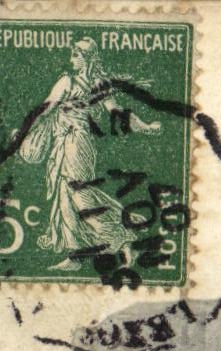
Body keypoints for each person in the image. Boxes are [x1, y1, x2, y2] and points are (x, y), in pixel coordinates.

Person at [18, 39, 160, 268]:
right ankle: (79, 254)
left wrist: (145, 126)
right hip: (69, 143)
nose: (71, 60)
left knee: (77, 194)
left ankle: (116, 235)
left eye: (75, 55)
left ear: (85, 58)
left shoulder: (70, 81)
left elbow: (44, 109)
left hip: (75, 144)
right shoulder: (91, 82)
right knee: (67, 195)